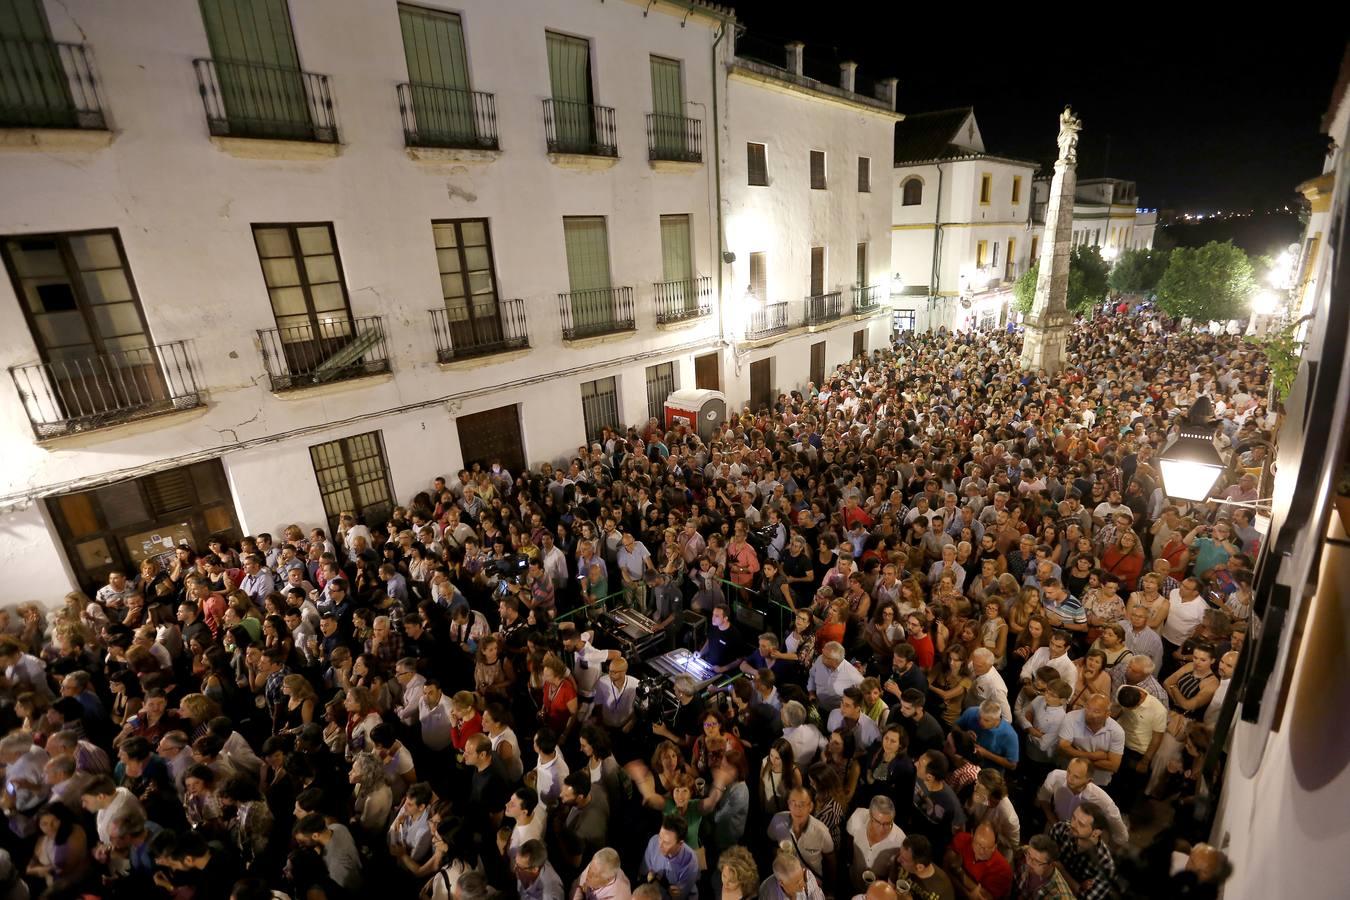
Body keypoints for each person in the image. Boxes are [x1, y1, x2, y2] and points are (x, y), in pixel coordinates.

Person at [1035, 759, 1129, 846]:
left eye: (1076, 776)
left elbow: (1117, 825)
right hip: (1055, 824)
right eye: (1068, 771)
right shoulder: (1055, 776)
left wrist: (1115, 843)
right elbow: (1043, 797)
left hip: (1083, 838)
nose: (1069, 778)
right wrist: (1052, 819)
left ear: (1089, 781)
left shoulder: (1102, 799)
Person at [766, 786, 835, 883]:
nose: (797, 809)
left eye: (802, 804)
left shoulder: (821, 832)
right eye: (793, 803)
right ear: (788, 805)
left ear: (810, 807)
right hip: (784, 880)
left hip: (811, 883)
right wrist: (777, 853)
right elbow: (770, 842)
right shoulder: (778, 820)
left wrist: (830, 892)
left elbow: (831, 862)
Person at [1047, 805, 1116, 900]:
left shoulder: (1106, 865)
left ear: (1095, 833)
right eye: (1074, 817)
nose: (1073, 824)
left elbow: (1085, 898)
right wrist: (1077, 886)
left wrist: (1061, 869)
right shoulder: (1060, 828)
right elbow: (1043, 862)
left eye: (1081, 824)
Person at [844, 795, 906, 890]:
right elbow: (849, 837)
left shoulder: (900, 839)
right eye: (878, 822)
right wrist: (848, 862)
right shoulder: (858, 817)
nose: (882, 828)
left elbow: (899, 870)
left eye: (887, 823)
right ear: (870, 815)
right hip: (853, 879)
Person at [946, 822, 1014, 900]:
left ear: (995, 846)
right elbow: (946, 864)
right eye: (978, 844)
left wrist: (959, 871)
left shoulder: (1003, 869)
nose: (981, 851)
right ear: (972, 836)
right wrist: (969, 891)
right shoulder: (962, 838)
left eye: (987, 848)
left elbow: (981, 897)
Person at [640, 815, 700, 900]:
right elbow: (644, 873)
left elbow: (678, 896)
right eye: (660, 837)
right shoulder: (654, 841)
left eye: (666, 843)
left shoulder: (690, 861)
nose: (660, 845)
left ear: (680, 843)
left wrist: (658, 881)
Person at [955, 701, 1020, 773]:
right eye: (979, 717)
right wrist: (964, 734)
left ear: (997, 720)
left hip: (988, 773)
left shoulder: (1010, 735)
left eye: (986, 720)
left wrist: (986, 754)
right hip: (964, 763)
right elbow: (954, 726)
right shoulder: (971, 712)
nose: (980, 722)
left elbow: (1012, 765)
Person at [1014, 834, 1076, 900]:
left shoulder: (1058, 896)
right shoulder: (1027, 851)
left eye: (1036, 861)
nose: (1028, 863)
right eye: (1028, 855)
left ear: (1051, 864)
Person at [807, 642, 864, 713]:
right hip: (819, 707)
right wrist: (811, 693)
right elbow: (812, 676)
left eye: (826, 657)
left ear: (835, 660)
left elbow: (863, 696)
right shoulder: (820, 660)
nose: (822, 657)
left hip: (839, 715)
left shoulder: (853, 675)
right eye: (823, 653)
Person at [758, 847, 825, 900]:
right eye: (797, 882)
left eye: (801, 878)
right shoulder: (767, 892)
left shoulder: (807, 876)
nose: (802, 885)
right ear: (781, 883)